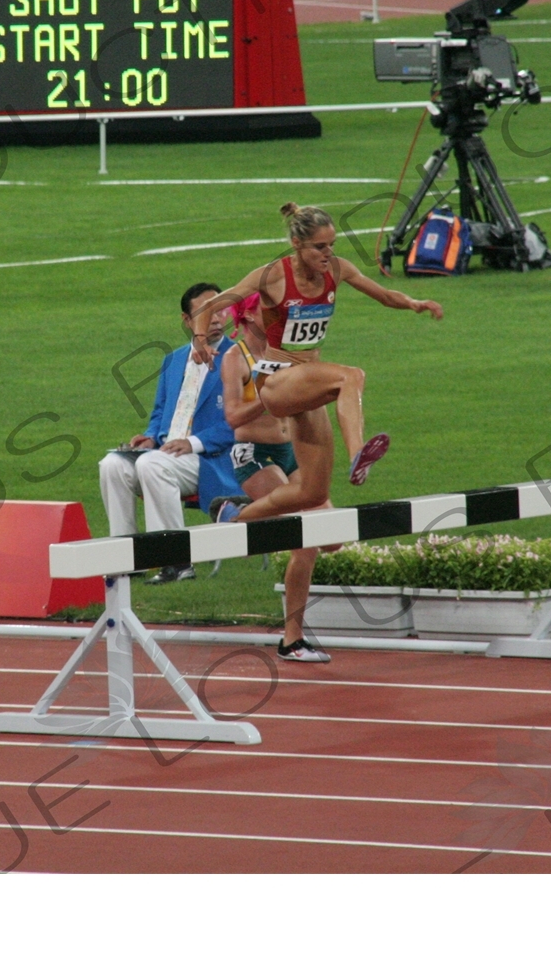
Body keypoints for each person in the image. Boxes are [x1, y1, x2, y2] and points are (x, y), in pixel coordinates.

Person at [191, 204, 443, 524]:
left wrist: (414, 303)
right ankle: (358, 454)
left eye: (332, 245)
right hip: (276, 381)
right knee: (350, 377)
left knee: (313, 493)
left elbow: (383, 295)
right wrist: (200, 339)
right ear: (297, 244)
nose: (328, 254)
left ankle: (236, 519)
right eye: (320, 247)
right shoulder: (273, 276)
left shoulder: (337, 269)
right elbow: (212, 305)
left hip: (306, 384)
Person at [98, 282, 239, 584]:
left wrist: (192, 442)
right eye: (205, 313)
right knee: (112, 464)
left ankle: (176, 561)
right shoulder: (173, 360)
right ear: (187, 321)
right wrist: (150, 436)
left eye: (220, 309)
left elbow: (240, 423)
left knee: (151, 464)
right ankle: (128, 557)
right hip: (166, 453)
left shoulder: (239, 358)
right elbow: (161, 411)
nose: (216, 318)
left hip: (212, 459)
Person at [218, 291, 333, 662]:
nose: (273, 314)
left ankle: (239, 515)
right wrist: (270, 399)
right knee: (305, 540)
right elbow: (233, 418)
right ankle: (292, 639)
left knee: (333, 539)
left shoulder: (285, 352)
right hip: (255, 454)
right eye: (264, 309)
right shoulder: (236, 358)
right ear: (246, 315)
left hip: (292, 453)